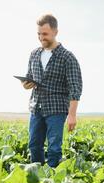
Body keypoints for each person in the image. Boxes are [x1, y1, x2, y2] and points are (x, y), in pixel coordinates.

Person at [22, 14, 82, 168]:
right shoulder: (34, 54)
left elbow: (75, 87)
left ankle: (53, 182)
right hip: (36, 108)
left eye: (45, 34)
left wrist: (72, 115)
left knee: (54, 149)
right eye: (39, 34)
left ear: (55, 32)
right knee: (34, 146)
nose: (41, 37)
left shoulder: (67, 57)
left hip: (56, 110)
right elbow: (30, 76)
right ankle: (38, 179)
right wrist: (26, 84)